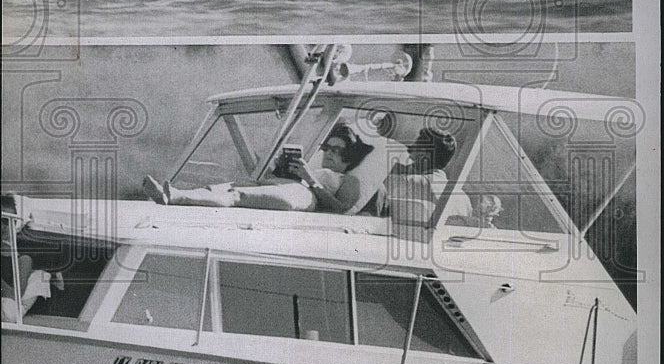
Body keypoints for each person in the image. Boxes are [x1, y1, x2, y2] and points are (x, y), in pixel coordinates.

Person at [143, 124, 375, 216]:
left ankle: (177, 198)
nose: (330, 153)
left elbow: (340, 212)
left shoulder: (349, 180)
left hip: (305, 195)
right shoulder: (316, 169)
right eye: (328, 148)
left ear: (350, 156)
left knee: (238, 196)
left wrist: (309, 179)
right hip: (289, 186)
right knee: (225, 186)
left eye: (337, 150)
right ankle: (171, 193)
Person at [378, 127, 458, 224]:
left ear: (424, 155)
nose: (410, 155)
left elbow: (371, 186)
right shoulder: (463, 198)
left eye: (412, 149)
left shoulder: (410, 182)